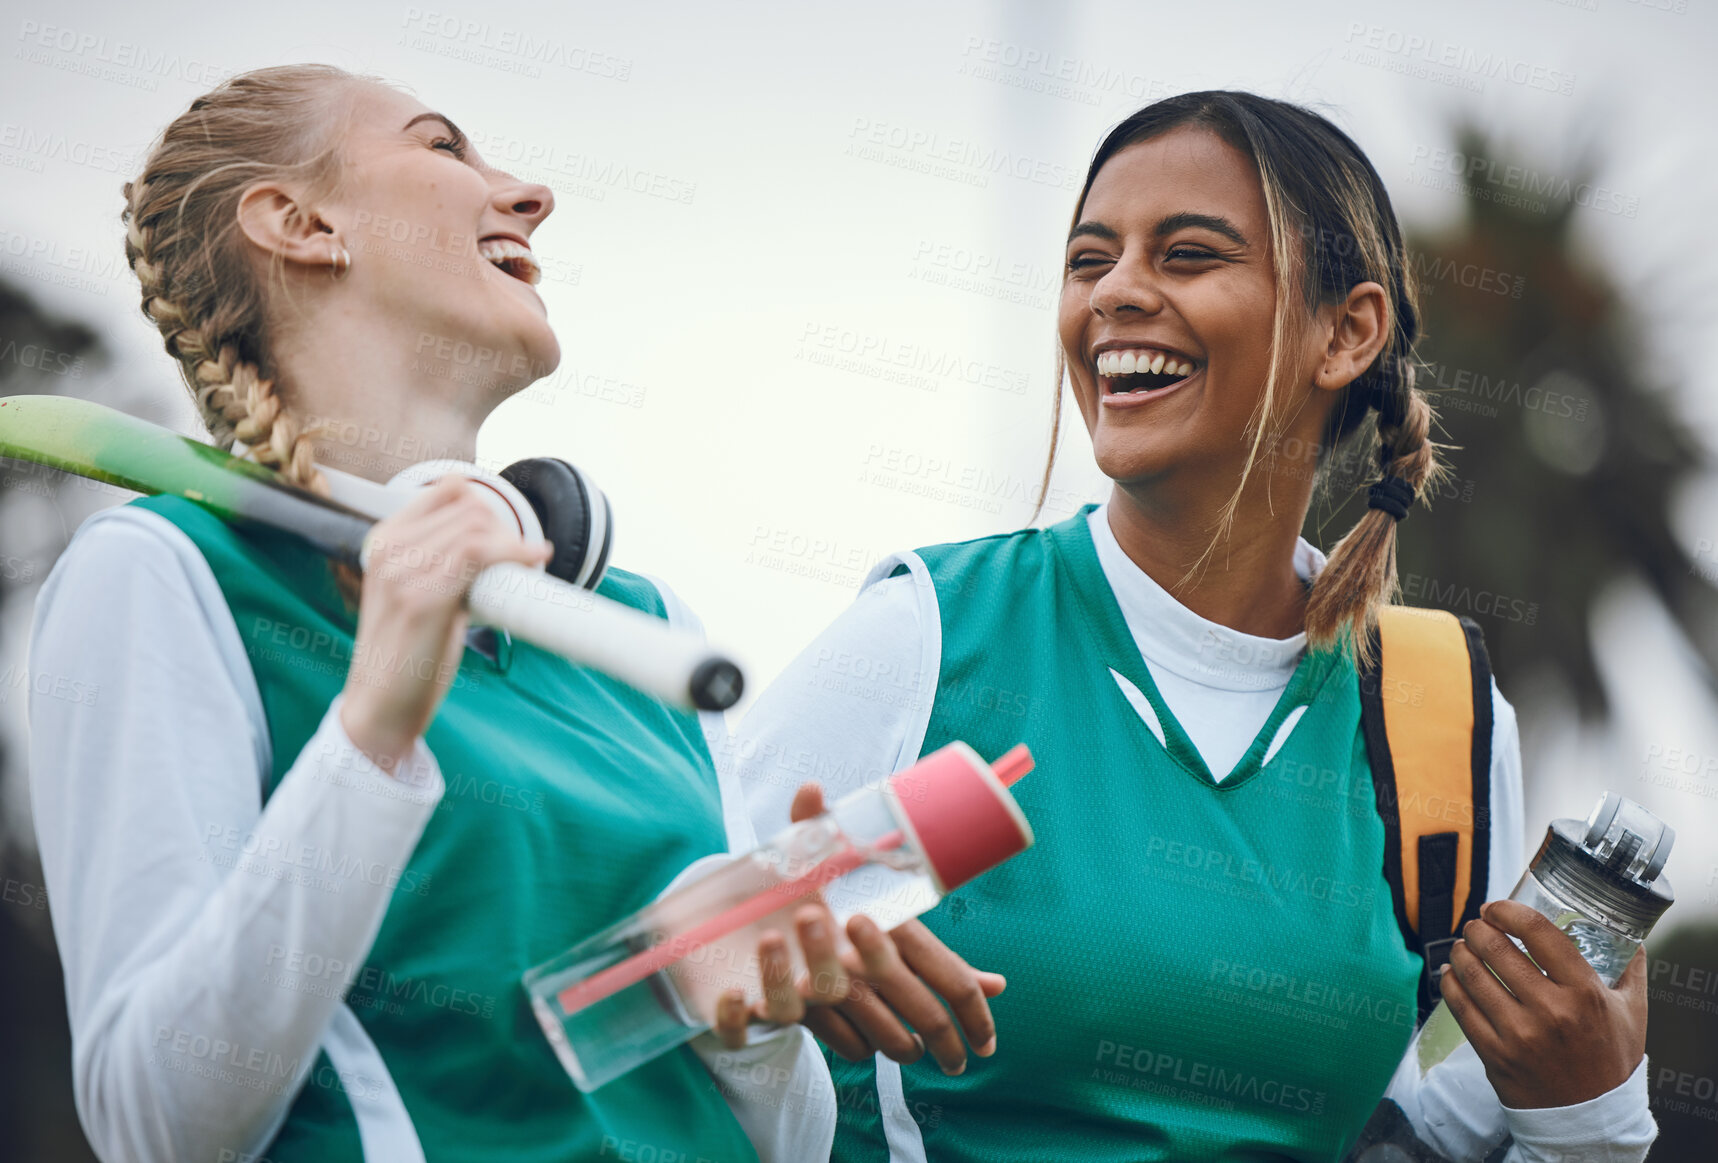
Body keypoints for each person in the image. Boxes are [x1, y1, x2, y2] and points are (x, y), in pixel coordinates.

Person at [26, 63, 991, 1163]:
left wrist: (754, 1013)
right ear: (297, 222)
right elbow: (157, 1124)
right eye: (443, 147)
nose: (528, 193)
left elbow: (790, 1138)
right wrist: (372, 732)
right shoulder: (163, 573)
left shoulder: (642, 623)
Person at [735, 91, 1656, 1162]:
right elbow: (665, 970)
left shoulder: (1436, 709)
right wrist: (760, 967)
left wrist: (1590, 1115)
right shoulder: (929, 637)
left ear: (1343, 330)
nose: (1115, 292)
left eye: (1185, 255)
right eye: (1089, 260)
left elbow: (1438, 1127)